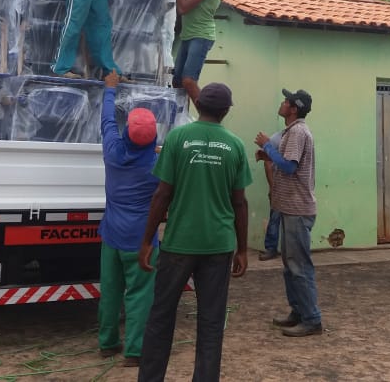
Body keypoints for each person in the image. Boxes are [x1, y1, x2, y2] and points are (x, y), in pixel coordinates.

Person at [137, 83, 251, 382]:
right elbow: (239, 202)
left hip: (179, 244)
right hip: (218, 245)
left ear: (198, 105)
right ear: (226, 111)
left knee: (161, 316)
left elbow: (162, 194)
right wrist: (242, 249)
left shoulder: (178, 138)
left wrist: (147, 240)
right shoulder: (236, 146)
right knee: (212, 321)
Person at [97, 70, 159, 367]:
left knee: (110, 291)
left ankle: (107, 343)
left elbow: (107, 121)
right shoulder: (157, 166)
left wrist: (110, 89)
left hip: (111, 235)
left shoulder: (112, 152)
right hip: (141, 240)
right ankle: (134, 352)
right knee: (140, 295)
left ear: (127, 132)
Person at [254, 89, 322, 337]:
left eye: (286, 101)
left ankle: (311, 319)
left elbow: (289, 166)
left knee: (299, 266)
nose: (282, 103)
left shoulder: (297, 132)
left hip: (297, 209)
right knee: (290, 265)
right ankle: (299, 312)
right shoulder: (292, 132)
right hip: (290, 207)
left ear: (293, 109)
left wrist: (267, 146)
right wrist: (268, 154)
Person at [173, 0, 226, 102]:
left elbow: (183, 7)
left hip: (200, 36)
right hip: (189, 35)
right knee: (177, 82)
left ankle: (208, 114)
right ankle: (182, 115)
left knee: (188, 81)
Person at [256, 130, 283, 261]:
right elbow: (267, 163)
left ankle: (290, 249)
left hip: (292, 188)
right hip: (279, 186)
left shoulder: (298, 136)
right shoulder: (276, 138)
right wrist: (273, 188)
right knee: (275, 218)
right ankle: (271, 248)